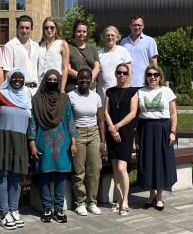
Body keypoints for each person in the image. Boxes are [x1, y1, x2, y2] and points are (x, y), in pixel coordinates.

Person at [28, 69, 76, 223]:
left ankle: (59, 208)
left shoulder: (64, 99)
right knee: (43, 175)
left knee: (61, 175)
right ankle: (47, 208)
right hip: (43, 141)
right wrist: (32, 143)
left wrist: (74, 141)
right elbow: (33, 122)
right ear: (45, 81)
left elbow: (70, 119)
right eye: (50, 79)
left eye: (56, 80)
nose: (53, 82)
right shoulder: (36, 100)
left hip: (63, 142)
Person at [0, 67, 32, 230]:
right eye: (14, 77)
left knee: (16, 177)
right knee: (1, 176)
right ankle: (3, 213)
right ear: (9, 78)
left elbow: (30, 123)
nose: (17, 80)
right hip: (1, 139)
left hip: (20, 140)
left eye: (20, 77)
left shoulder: (26, 98)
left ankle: (14, 210)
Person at [136, 64, 178, 211]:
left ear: (160, 76)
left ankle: (159, 196)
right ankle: (151, 193)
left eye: (155, 74)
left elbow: (173, 113)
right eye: (149, 74)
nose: (152, 77)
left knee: (160, 161)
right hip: (146, 128)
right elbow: (135, 114)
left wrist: (173, 131)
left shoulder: (167, 91)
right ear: (146, 77)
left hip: (163, 129)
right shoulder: (140, 92)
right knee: (148, 161)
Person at [68, 68, 106, 216]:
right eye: (81, 78)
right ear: (77, 80)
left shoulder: (96, 97)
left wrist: (103, 141)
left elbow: (101, 120)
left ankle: (92, 202)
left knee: (94, 170)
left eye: (86, 78)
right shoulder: (71, 96)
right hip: (78, 133)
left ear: (91, 80)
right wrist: (72, 139)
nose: (84, 81)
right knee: (79, 171)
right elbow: (69, 120)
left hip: (94, 133)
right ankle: (80, 202)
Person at [103, 63, 138, 216]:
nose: (122, 75)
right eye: (119, 73)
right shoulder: (110, 91)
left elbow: (133, 113)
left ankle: (125, 201)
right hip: (112, 134)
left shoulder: (133, 92)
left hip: (125, 133)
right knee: (115, 169)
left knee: (122, 168)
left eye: (124, 73)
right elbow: (105, 111)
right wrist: (111, 128)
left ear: (129, 74)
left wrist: (117, 127)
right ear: (115, 74)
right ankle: (118, 199)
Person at [3, 15, 40, 93]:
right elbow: (7, 72)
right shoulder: (9, 46)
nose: (24, 30)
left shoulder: (36, 46)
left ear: (32, 29)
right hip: (17, 90)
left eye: (27, 28)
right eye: (21, 27)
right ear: (17, 28)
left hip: (35, 90)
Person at [97, 26, 132, 103]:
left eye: (112, 35)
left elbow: (129, 71)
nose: (110, 37)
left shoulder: (122, 51)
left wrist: (127, 88)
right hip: (102, 91)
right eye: (107, 35)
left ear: (117, 37)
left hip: (119, 89)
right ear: (104, 37)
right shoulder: (99, 53)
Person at [121, 15, 158, 88]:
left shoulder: (150, 41)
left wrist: (155, 80)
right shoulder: (123, 42)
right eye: (134, 25)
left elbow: (154, 63)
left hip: (144, 83)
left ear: (143, 26)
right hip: (127, 83)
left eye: (139, 25)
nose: (137, 27)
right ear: (130, 26)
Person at [65, 20, 100, 93]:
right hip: (74, 86)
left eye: (84, 31)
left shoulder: (92, 47)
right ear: (74, 32)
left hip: (90, 87)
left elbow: (97, 67)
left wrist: (89, 80)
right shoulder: (68, 48)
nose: (81, 34)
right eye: (79, 31)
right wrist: (83, 78)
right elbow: (67, 68)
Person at [38, 17, 69, 92]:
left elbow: (65, 69)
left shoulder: (62, 44)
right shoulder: (39, 45)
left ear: (56, 29)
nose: (49, 30)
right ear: (43, 29)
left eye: (52, 27)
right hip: (40, 84)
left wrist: (62, 89)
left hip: (55, 83)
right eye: (46, 28)